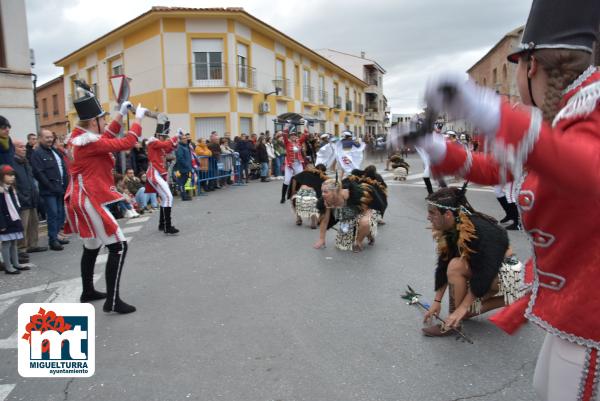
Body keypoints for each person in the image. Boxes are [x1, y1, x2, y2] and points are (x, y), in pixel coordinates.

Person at [422, 0, 600, 399]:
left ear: (530, 65)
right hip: (573, 288)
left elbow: (587, 172)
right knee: (547, 386)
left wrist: (497, 115)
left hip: (591, 298)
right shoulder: (564, 115)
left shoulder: (591, 108)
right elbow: (500, 170)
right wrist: (439, 150)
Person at [65, 84, 146, 313]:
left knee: (92, 244)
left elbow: (108, 135)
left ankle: (88, 290)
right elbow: (124, 143)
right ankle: (112, 301)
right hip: (88, 198)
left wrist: (121, 113)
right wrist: (137, 120)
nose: (104, 122)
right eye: (102, 119)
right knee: (118, 245)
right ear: (93, 123)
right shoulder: (88, 142)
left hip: (80, 197)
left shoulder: (80, 137)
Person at [421, 186, 523, 337]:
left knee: (456, 266)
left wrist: (460, 309)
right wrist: (437, 301)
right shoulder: (451, 227)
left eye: (432, 213)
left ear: (448, 214)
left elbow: (485, 272)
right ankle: (518, 301)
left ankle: (451, 324)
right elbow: (443, 265)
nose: (428, 217)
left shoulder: (479, 230)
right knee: (465, 312)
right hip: (485, 273)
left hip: (506, 275)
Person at [314, 175, 386, 252]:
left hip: (365, 210)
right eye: (322, 191)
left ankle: (359, 241)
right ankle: (360, 232)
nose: (322, 194)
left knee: (365, 223)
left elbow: (366, 210)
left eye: (325, 192)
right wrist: (322, 239)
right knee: (342, 245)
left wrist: (365, 222)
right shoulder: (326, 200)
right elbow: (324, 220)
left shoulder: (352, 194)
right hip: (347, 217)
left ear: (335, 191)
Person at [31, 129, 68, 251]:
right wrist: (50, 187)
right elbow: (39, 173)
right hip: (49, 191)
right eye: (46, 137)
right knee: (53, 214)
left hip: (60, 188)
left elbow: (62, 168)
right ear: (40, 138)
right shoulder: (37, 153)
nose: (50, 139)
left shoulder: (54, 151)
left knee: (60, 214)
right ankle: (53, 240)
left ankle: (56, 236)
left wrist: (65, 184)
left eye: (51, 137)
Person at [0, 165, 35, 274]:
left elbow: (15, 204)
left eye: (13, 175)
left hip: (14, 218)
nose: (12, 177)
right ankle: (8, 266)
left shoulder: (10, 189)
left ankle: (15, 263)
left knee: (14, 242)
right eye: (9, 175)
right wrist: (2, 223)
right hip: (5, 220)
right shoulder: (1, 190)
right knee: (6, 243)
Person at [13, 140, 47, 255]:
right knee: (23, 225)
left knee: (33, 222)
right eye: (20, 147)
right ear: (14, 149)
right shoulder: (13, 163)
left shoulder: (25, 161)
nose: (24, 149)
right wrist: (21, 196)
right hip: (23, 198)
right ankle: (21, 248)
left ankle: (33, 244)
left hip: (32, 197)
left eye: (24, 147)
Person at [146, 128, 179, 234]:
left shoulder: (159, 145)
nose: (165, 139)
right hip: (154, 172)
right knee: (168, 197)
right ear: (159, 136)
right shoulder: (153, 142)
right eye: (163, 136)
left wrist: (175, 141)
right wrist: (175, 137)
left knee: (165, 197)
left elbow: (169, 147)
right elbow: (166, 145)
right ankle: (167, 227)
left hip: (158, 173)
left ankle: (162, 224)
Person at [288, 163, 328, 228]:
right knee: (315, 203)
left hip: (300, 195)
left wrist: (293, 191)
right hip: (312, 197)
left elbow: (294, 178)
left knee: (294, 199)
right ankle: (314, 222)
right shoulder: (324, 177)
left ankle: (299, 218)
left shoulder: (307, 172)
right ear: (324, 171)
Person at [280, 124, 309, 203]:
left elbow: (305, 135)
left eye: (294, 135)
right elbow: (284, 135)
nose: (293, 136)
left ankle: (300, 195)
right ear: (290, 137)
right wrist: (286, 126)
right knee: (287, 180)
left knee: (301, 179)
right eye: (292, 135)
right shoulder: (287, 142)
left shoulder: (299, 142)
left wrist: (305, 125)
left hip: (298, 163)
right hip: (289, 164)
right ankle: (283, 197)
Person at [174, 130, 193, 201]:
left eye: (186, 138)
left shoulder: (186, 146)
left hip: (187, 168)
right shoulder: (180, 147)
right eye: (184, 139)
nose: (186, 140)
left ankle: (185, 195)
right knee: (181, 182)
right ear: (180, 140)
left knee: (185, 182)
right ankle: (183, 196)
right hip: (182, 168)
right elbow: (180, 158)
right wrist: (186, 166)